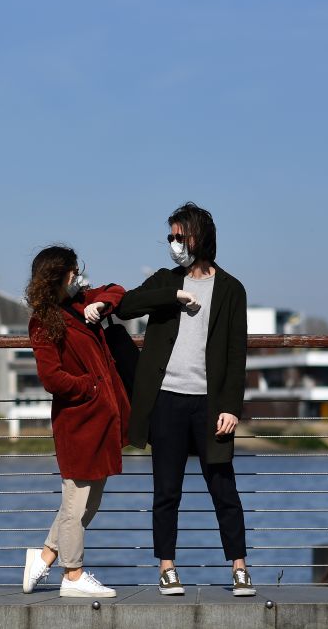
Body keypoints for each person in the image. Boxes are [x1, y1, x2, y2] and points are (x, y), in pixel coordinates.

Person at [115, 202, 256, 597]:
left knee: (222, 487)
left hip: (210, 406)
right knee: (167, 490)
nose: (175, 243)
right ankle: (167, 568)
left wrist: (231, 406)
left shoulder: (231, 289)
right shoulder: (165, 280)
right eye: (170, 237)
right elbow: (126, 306)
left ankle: (240, 568)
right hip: (166, 401)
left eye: (181, 236)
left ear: (200, 237)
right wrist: (173, 295)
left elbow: (235, 352)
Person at [22, 246, 130, 598]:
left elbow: (117, 289)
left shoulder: (82, 301)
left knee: (89, 502)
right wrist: (90, 386)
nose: (78, 277)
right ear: (59, 276)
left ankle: (45, 557)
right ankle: (73, 574)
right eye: (73, 272)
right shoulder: (43, 321)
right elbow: (51, 377)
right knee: (77, 501)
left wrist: (102, 305)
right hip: (78, 421)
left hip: (101, 419)